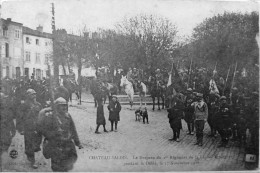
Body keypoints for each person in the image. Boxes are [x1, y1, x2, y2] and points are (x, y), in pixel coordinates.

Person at [37, 97, 83, 172]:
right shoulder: (50, 116)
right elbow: (44, 131)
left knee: (68, 165)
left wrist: (78, 143)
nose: (64, 107)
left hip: (67, 144)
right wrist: (54, 133)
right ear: (57, 107)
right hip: (56, 145)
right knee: (57, 167)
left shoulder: (68, 116)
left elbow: (73, 129)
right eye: (62, 105)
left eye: (65, 105)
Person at [19, 89, 42, 168]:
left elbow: (41, 115)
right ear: (28, 95)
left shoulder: (38, 104)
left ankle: (29, 153)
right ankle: (32, 160)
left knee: (37, 143)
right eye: (32, 94)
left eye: (35, 94)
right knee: (30, 143)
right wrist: (21, 129)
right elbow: (20, 117)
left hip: (37, 127)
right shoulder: (24, 105)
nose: (34, 96)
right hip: (28, 127)